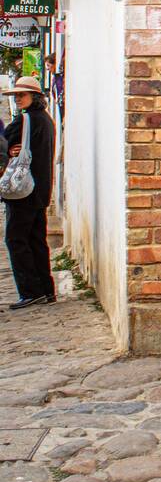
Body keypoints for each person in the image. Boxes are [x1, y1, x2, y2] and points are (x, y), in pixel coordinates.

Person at [3, 75, 56, 310]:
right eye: (16, 96)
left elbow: (6, 141)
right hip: (41, 189)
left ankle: (30, 290)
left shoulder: (25, 120)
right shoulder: (46, 119)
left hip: (24, 190)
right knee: (36, 240)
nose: (18, 99)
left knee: (16, 239)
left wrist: (10, 152)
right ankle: (46, 289)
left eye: (21, 95)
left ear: (33, 97)